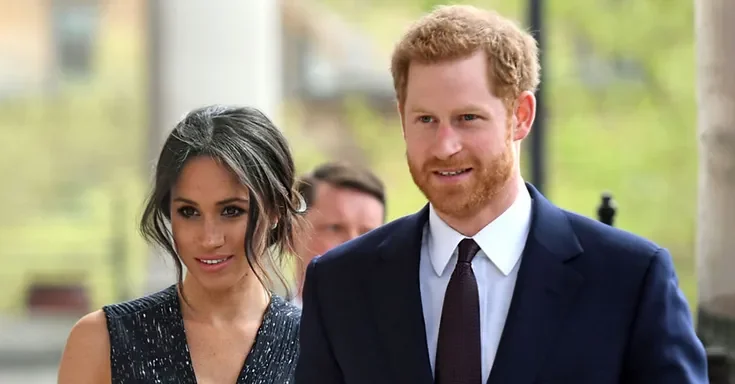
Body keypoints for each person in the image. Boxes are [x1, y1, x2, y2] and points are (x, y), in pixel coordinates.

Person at [295, 5, 707, 384]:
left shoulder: (629, 278)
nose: (444, 145)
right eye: (425, 119)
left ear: (521, 116)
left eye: (467, 118)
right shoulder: (340, 284)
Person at [58, 105, 304, 384]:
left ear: (275, 211)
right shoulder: (101, 341)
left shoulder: (315, 344)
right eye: (189, 212)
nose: (210, 239)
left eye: (232, 211)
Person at [291, 162, 386, 306]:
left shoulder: (410, 325)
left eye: (368, 233)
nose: (354, 245)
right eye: (335, 228)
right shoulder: (258, 325)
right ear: (292, 235)